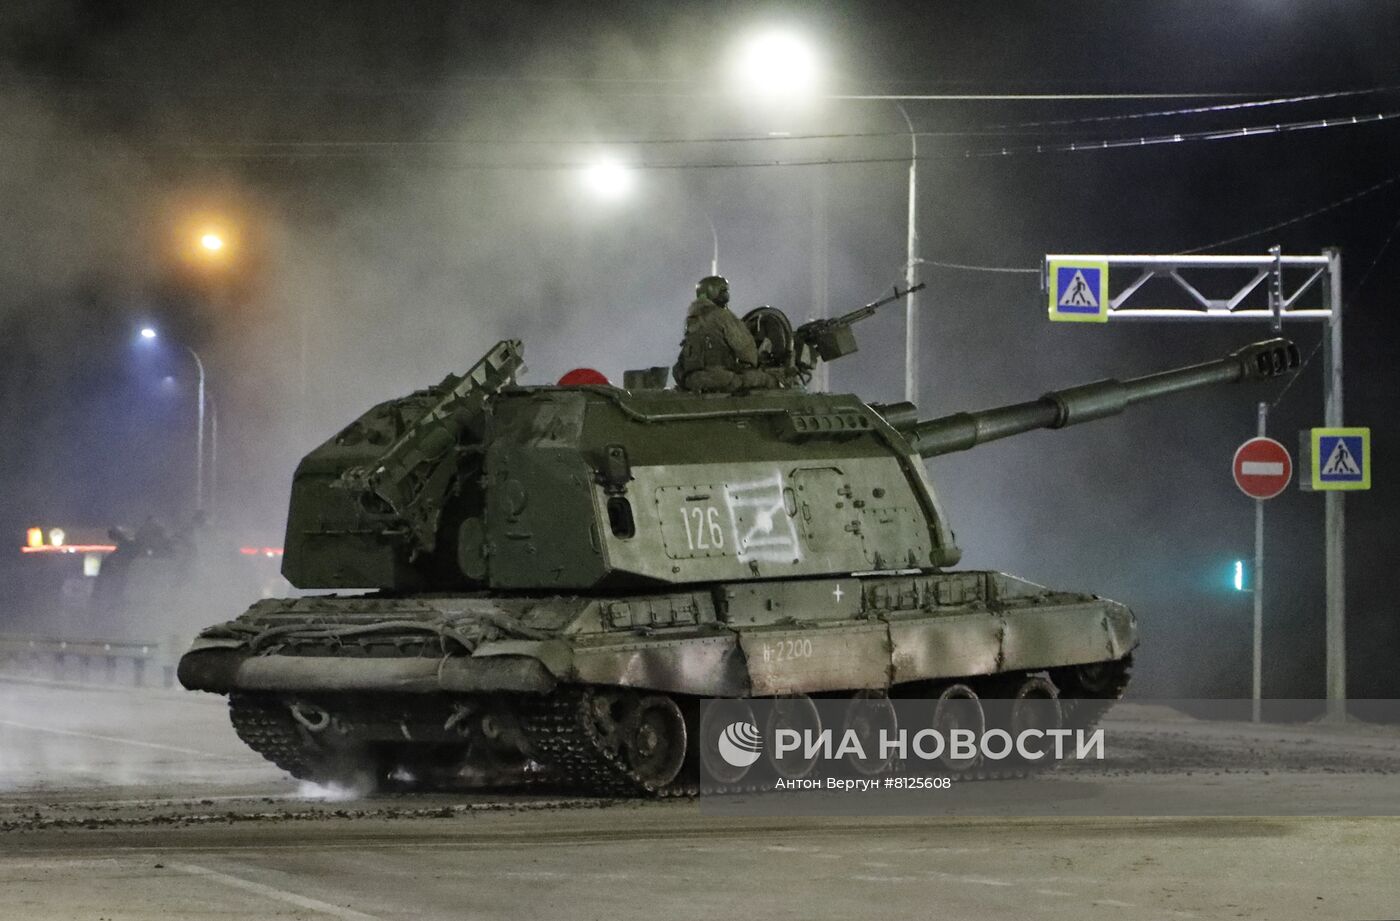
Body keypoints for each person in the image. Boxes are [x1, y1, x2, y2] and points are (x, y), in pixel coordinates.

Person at [673, 276, 787, 392]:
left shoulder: (691, 320)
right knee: (770, 380)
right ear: (714, 292)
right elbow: (747, 352)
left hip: (693, 381)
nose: (726, 295)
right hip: (720, 380)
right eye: (724, 291)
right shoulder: (722, 316)